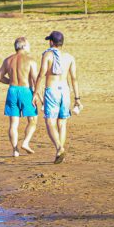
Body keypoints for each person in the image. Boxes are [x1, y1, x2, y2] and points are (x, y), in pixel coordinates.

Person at [33, 31, 81, 164]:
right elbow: (74, 79)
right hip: (65, 90)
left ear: (51, 42)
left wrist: (36, 93)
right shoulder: (70, 57)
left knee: (50, 121)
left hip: (52, 90)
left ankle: (59, 147)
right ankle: (59, 151)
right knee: (62, 122)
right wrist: (77, 98)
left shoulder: (47, 55)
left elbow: (41, 75)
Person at [0, 37, 39, 157]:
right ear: (24, 46)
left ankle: (15, 150)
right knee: (32, 120)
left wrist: (11, 81)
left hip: (12, 90)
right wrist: (37, 95)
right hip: (26, 91)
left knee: (13, 123)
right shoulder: (30, 60)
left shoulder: (8, 60)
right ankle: (25, 142)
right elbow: (36, 80)